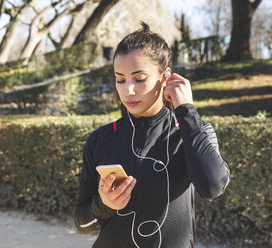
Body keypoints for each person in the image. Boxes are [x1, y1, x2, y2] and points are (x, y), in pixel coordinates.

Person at [74, 22, 230, 248]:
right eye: (120, 79)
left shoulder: (192, 131)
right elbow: (83, 223)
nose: (128, 90)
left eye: (139, 79)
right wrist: (105, 204)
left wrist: (186, 109)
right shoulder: (100, 140)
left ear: (165, 76)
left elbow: (212, 187)